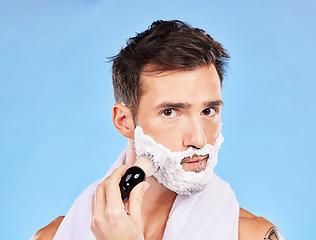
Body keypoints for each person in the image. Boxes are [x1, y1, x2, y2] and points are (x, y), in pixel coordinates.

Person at [31, 20, 284, 240]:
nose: (199, 139)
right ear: (124, 121)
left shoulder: (252, 235)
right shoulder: (54, 237)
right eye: (170, 112)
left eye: (208, 111)